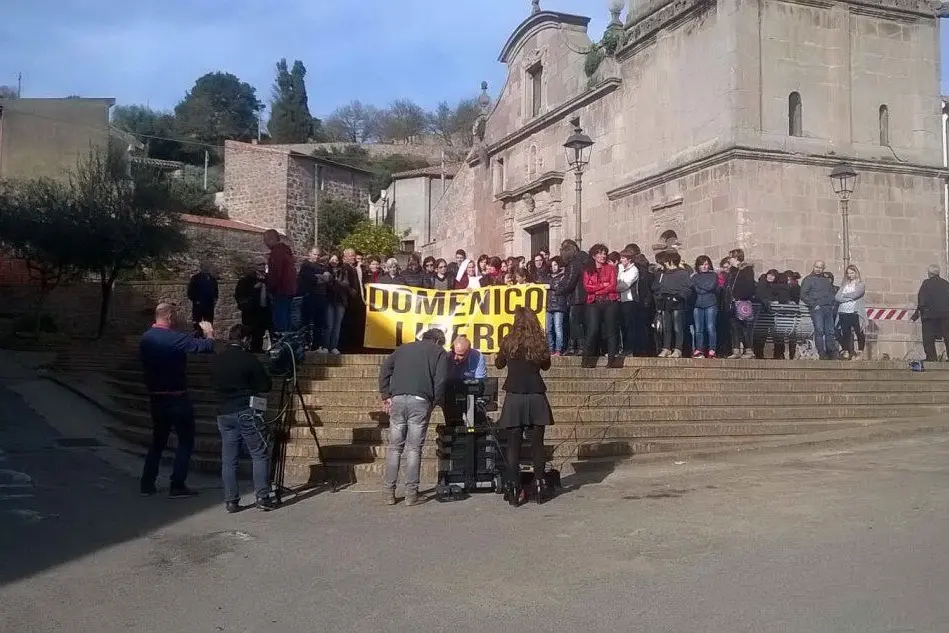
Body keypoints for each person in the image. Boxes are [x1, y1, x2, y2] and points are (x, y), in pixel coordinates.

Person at [139, 303, 215, 498]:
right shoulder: (173, 338)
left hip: (156, 397)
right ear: (170, 316)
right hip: (177, 397)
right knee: (185, 441)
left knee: (158, 441)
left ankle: (147, 483)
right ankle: (177, 484)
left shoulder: (146, 338)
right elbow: (205, 347)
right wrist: (209, 332)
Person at [378, 328, 450, 506]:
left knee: (395, 448)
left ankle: (389, 492)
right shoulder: (439, 352)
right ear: (438, 341)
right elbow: (441, 379)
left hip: (398, 399)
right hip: (420, 400)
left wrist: (386, 394)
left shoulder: (403, 348)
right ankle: (411, 494)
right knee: (414, 449)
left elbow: (385, 369)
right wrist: (435, 401)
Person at [211, 324, 276, 513]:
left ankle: (231, 501)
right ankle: (262, 497)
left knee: (229, 459)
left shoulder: (218, 360)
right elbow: (265, 385)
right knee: (258, 453)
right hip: (246, 410)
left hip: (223, 412)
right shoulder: (249, 359)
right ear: (246, 339)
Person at [496, 307, 553, 506]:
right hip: (536, 395)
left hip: (515, 396)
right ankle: (539, 484)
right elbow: (546, 366)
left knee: (514, 445)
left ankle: (514, 487)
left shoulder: (508, 341)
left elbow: (498, 364)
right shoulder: (539, 342)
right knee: (537, 444)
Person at [582, 243, 620, 368]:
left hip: (610, 301)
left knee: (611, 331)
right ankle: (586, 359)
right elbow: (587, 288)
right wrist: (603, 286)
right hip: (594, 302)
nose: (603, 256)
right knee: (593, 329)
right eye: (600, 253)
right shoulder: (588, 270)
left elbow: (613, 286)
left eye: (604, 253)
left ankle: (612, 360)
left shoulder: (611, 268)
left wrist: (598, 289)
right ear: (594, 255)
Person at [655, 251, 691, 358]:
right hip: (666, 302)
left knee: (677, 327)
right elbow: (660, 288)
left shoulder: (683, 273)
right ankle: (666, 348)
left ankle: (678, 349)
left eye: (667, 261)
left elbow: (688, 289)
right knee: (667, 327)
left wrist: (678, 296)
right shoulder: (665, 274)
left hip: (677, 303)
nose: (665, 263)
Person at [801, 260, 839, 360]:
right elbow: (803, 294)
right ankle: (821, 352)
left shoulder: (826, 280)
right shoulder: (808, 279)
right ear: (813, 267)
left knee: (830, 331)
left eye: (820, 267)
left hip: (828, 308)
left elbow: (831, 293)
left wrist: (831, 303)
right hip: (817, 308)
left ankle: (832, 352)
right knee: (819, 330)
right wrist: (813, 304)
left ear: (823, 268)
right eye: (816, 267)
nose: (818, 269)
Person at [911, 264, 949, 361]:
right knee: (947, 337)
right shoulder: (946, 284)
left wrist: (916, 315)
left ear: (929, 274)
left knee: (928, 338)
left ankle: (931, 358)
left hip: (930, 315)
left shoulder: (926, 283)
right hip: (945, 315)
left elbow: (922, 300)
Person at [724, 248, 756, 359]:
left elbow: (750, 286)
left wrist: (740, 297)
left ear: (736, 258)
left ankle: (749, 351)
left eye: (730, 257)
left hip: (742, 302)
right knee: (734, 326)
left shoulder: (746, 269)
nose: (729, 260)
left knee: (744, 327)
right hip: (732, 302)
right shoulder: (732, 270)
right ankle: (736, 350)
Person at [263, 229, 297, 333]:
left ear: (272, 239)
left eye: (266, 240)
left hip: (281, 291)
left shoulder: (277, 252)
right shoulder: (287, 252)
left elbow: (276, 274)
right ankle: (288, 345)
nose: (265, 243)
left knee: (280, 321)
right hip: (289, 290)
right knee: (287, 319)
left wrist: (269, 287)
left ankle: (282, 345)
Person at [297, 247, 329, 352]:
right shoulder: (305, 266)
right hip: (309, 296)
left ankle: (317, 346)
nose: (317, 257)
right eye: (315, 254)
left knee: (319, 323)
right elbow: (311, 279)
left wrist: (320, 278)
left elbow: (328, 278)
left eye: (318, 255)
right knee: (306, 322)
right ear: (309, 254)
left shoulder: (322, 266)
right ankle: (305, 345)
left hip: (321, 297)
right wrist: (321, 278)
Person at [325, 251, 357, 355]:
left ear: (339, 261)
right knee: (328, 325)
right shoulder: (325, 269)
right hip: (329, 300)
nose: (334, 261)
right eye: (332, 259)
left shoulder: (343, 271)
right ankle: (325, 346)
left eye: (336, 260)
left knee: (337, 325)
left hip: (340, 300)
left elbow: (346, 284)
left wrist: (334, 281)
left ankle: (333, 347)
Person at [234, 261, 270, 353]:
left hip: (263, 310)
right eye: (259, 264)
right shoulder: (246, 280)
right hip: (251, 311)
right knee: (249, 330)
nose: (262, 266)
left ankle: (258, 349)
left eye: (263, 264)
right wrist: (253, 289)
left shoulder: (267, 279)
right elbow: (240, 295)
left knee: (260, 331)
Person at [560, 240, 586, 356]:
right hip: (578, 297)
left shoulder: (573, 264)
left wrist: (557, 290)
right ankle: (573, 347)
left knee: (575, 323)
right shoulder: (578, 263)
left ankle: (579, 347)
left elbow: (570, 282)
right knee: (574, 323)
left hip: (577, 297)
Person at [835, 265, 867, 360]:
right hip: (844, 311)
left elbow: (856, 294)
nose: (850, 275)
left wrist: (845, 296)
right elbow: (837, 297)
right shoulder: (844, 285)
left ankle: (860, 352)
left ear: (856, 273)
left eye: (852, 273)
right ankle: (847, 351)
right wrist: (846, 298)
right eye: (848, 273)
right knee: (845, 333)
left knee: (859, 332)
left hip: (855, 311)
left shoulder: (860, 284)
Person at [691, 255, 719, 358]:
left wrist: (698, 285)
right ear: (698, 266)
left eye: (706, 264)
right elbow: (695, 289)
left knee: (710, 327)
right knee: (698, 329)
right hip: (697, 304)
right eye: (702, 264)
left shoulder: (713, 275)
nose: (704, 266)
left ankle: (712, 349)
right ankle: (699, 349)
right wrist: (701, 287)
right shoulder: (694, 276)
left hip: (710, 303)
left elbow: (710, 286)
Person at [616, 248, 641, 357]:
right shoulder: (621, 268)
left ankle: (630, 349)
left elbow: (625, 285)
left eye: (623, 258)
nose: (621, 260)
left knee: (629, 326)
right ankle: (624, 348)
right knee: (623, 326)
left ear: (629, 259)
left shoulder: (634, 270)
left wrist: (613, 288)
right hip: (621, 300)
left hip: (630, 301)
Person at [544, 256, 570, 355]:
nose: (553, 267)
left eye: (555, 265)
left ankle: (558, 349)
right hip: (548, 305)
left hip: (559, 305)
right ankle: (550, 349)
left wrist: (550, 286)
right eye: (551, 266)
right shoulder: (547, 277)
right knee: (548, 329)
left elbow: (562, 286)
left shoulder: (563, 276)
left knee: (558, 328)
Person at [187, 261, 218, 335]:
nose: (206, 269)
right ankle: (197, 339)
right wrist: (196, 300)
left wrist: (215, 300)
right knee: (197, 325)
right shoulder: (195, 278)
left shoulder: (212, 279)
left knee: (209, 324)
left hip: (209, 306)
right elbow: (190, 292)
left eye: (208, 267)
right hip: (198, 306)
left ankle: (208, 339)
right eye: (205, 267)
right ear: (201, 268)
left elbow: (215, 291)